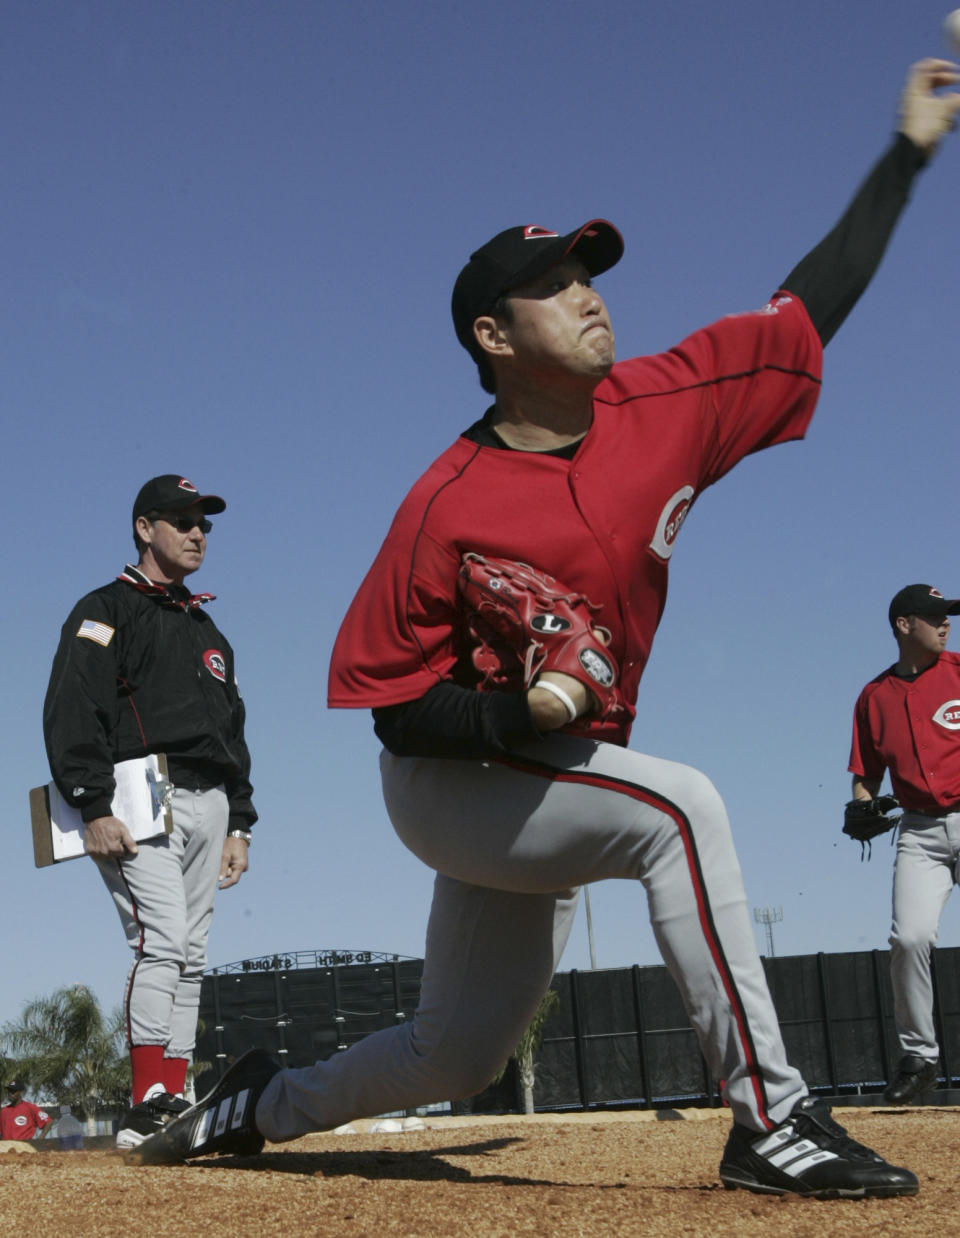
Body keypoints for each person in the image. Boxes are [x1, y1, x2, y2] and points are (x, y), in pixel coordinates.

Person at [137, 61, 958, 1196]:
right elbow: (394, 705)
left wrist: (909, 150)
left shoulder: (664, 405)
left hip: (552, 769)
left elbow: (806, 307)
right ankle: (770, 1115)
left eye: (588, 271)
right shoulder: (446, 500)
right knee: (682, 808)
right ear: (492, 332)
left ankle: (254, 1101)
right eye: (556, 283)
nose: (589, 293)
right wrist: (515, 707)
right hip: (452, 777)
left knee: (457, 1051)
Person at [43, 475, 257, 1150]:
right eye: (183, 520)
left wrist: (242, 822)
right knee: (160, 940)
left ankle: (178, 1092)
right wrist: (91, 802)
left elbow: (234, 727)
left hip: (211, 797)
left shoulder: (205, 624)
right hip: (141, 793)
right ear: (145, 528)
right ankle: (146, 1101)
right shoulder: (106, 608)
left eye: (205, 524)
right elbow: (74, 707)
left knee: (191, 953)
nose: (198, 533)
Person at [848, 583, 960, 1105]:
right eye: (935, 616)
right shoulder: (874, 697)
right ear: (903, 624)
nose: (946, 624)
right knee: (909, 939)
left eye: (948, 616)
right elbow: (865, 774)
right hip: (919, 831)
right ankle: (920, 1058)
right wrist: (862, 803)